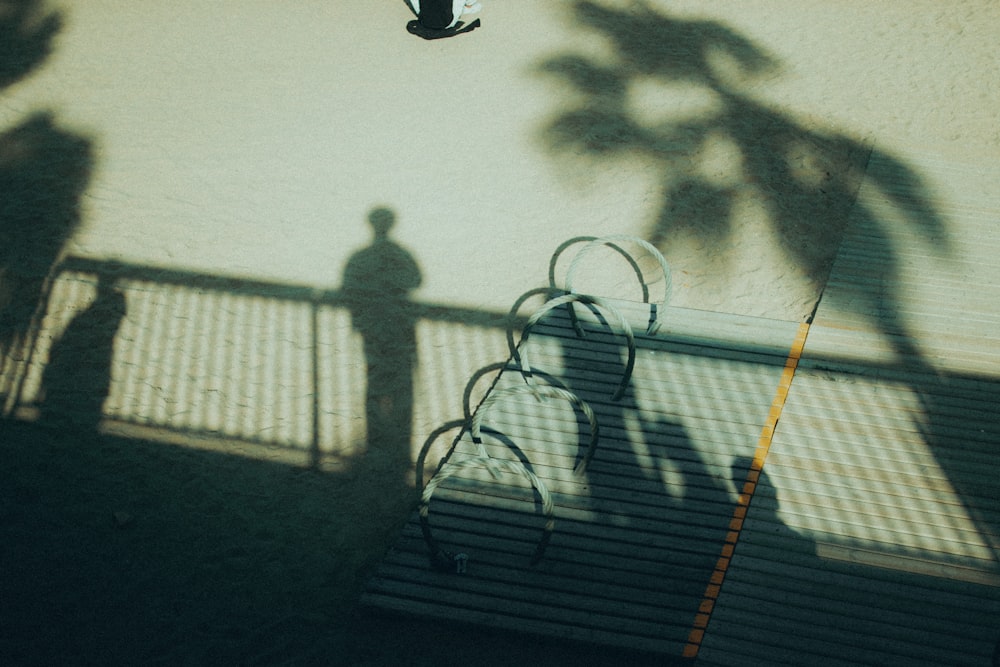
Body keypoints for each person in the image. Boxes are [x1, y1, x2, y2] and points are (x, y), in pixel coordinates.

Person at [405, 0, 481, 39]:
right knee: (475, 5)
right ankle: (468, 7)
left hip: (424, 19)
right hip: (448, 21)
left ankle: (426, 10)